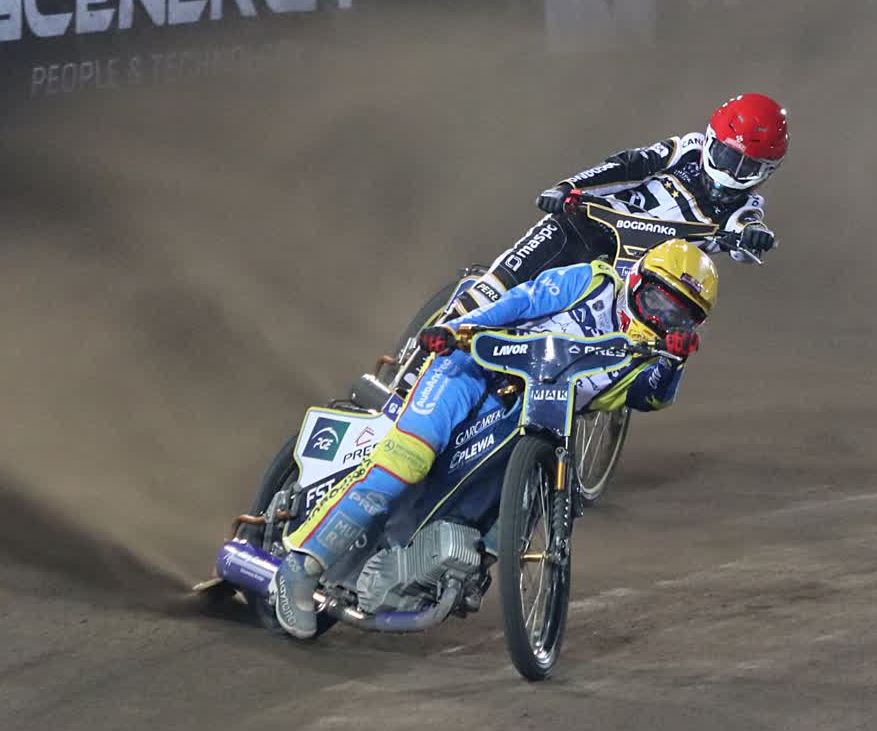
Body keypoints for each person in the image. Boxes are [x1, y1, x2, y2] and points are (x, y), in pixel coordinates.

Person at [269, 238, 720, 639]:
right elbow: (522, 300)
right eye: (658, 300)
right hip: (470, 370)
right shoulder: (593, 282)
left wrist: (674, 361)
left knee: (521, 498)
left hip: (534, 412)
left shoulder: (652, 357)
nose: (663, 317)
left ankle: (454, 566)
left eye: (679, 315)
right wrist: (461, 328)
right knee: (408, 459)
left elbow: (651, 398)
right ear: (637, 281)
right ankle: (301, 566)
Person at [445, 92, 787, 317]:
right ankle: (422, 356)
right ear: (711, 140)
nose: (731, 173)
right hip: (585, 229)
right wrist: (569, 188)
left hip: (629, 278)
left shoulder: (745, 208)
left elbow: (748, 231)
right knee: (494, 291)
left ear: (767, 172)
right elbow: (629, 166)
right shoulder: (686, 150)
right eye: (727, 156)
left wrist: (754, 237)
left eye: (747, 167)